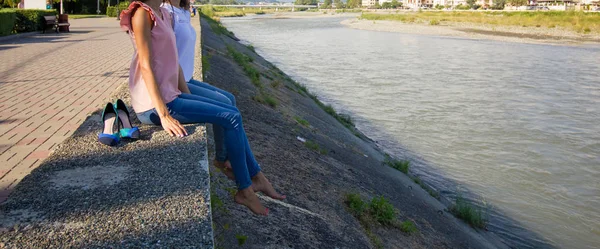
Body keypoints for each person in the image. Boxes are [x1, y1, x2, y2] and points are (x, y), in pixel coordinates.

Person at [119, 0, 284, 216]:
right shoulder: (141, 14)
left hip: (172, 95)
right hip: (153, 105)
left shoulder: (162, 13)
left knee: (231, 111)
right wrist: (164, 115)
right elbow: (146, 65)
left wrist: (191, 100)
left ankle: (255, 176)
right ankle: (245, 190)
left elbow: (174, 61)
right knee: (232, 118)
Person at [161, 0, 236, 179]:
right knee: (225, 103)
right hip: (178, 83)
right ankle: (222, 158)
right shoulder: (166, 12)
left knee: (230, 99)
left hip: (187, 77)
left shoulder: (182, 11)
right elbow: (167, 55)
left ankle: (228, 156)